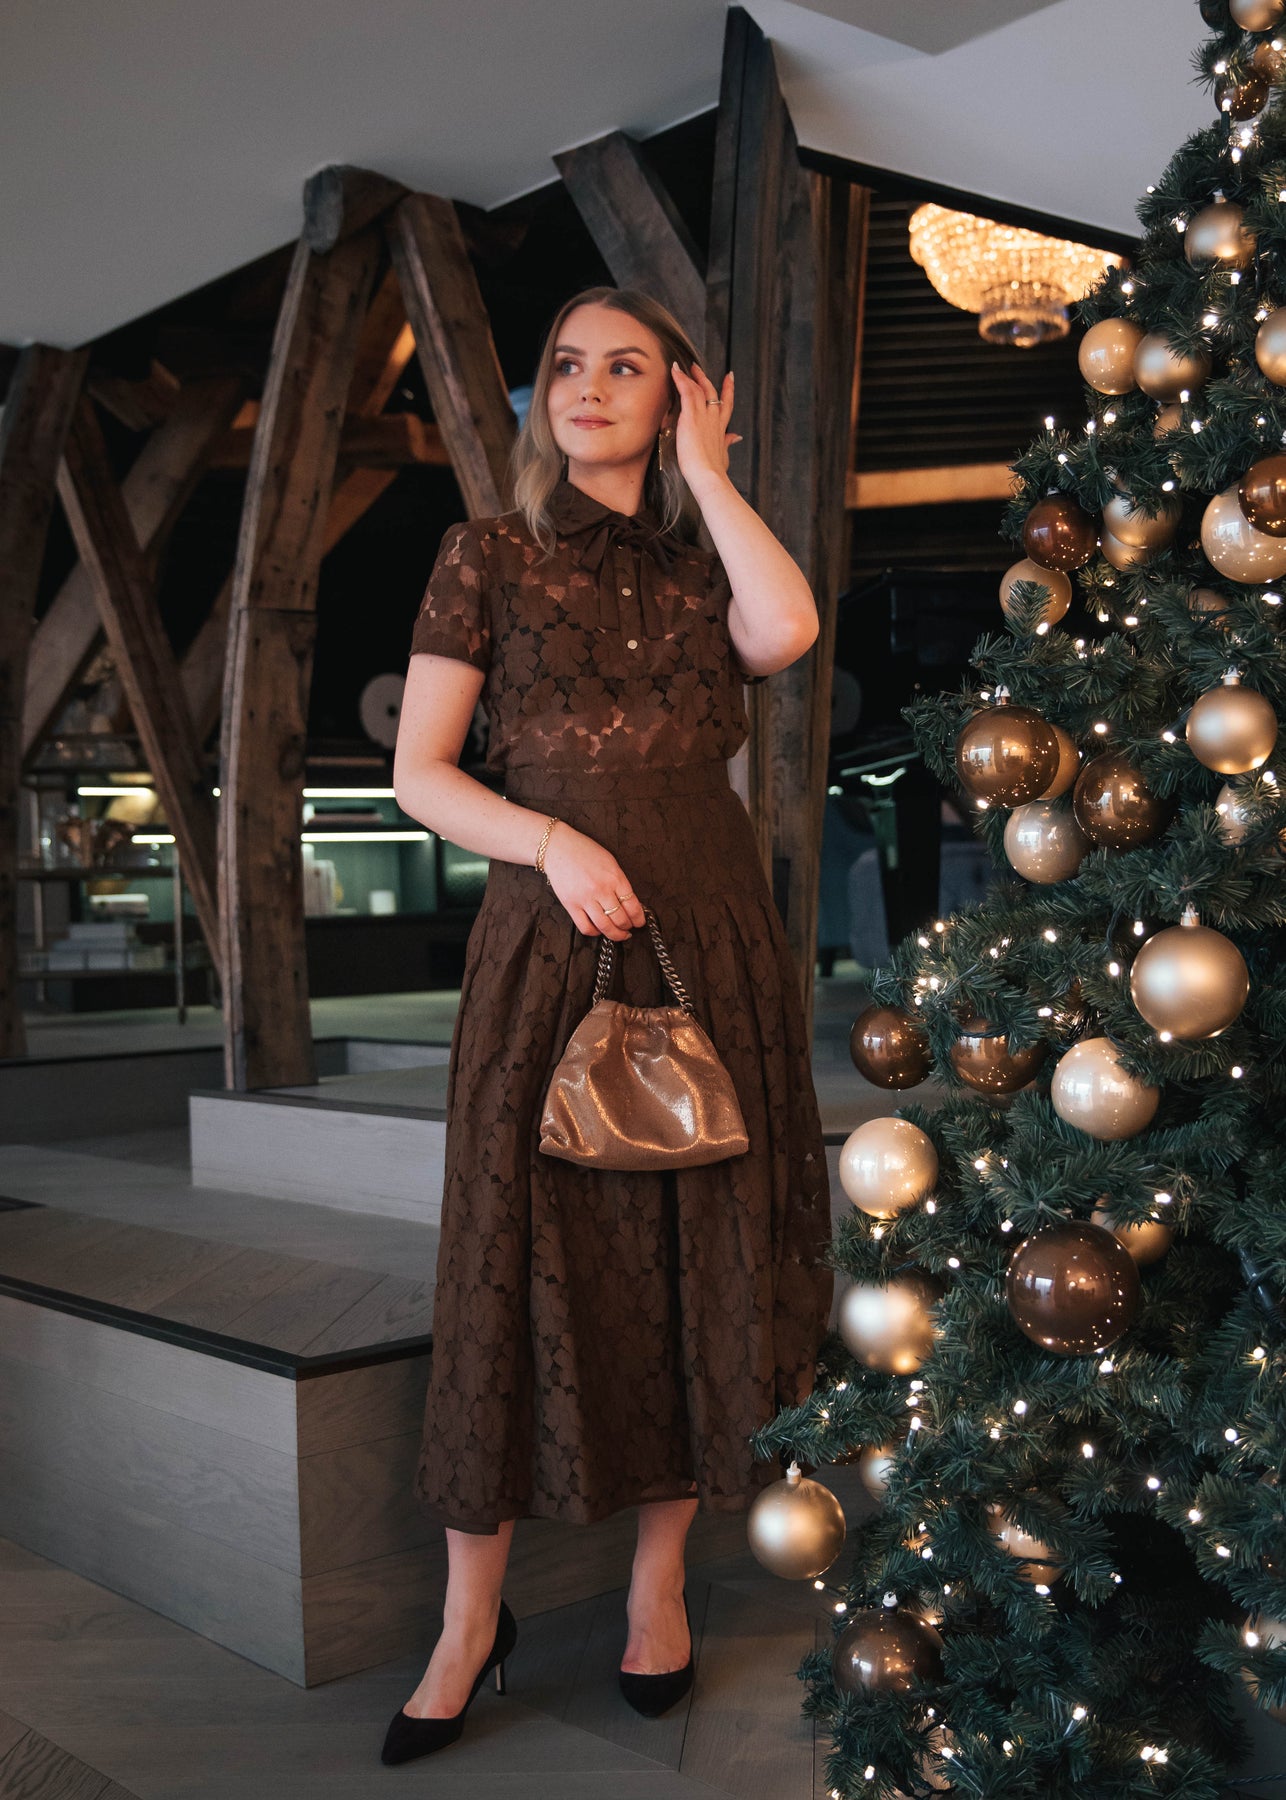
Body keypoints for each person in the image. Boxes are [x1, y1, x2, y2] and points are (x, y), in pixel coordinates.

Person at [384, 284, 833, 1765]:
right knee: (510, 1254)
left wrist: (708, 475)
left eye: (624, 367)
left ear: (678, 395)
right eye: (566, 365)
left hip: (707, 931)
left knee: (696, 1252)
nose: (586, 387)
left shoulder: (710, 564)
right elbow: (421, 775)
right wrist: (550, 844)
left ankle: (657, 1592)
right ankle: (468, 1620)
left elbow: (789, 627)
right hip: (547, 937)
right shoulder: (487, 552)